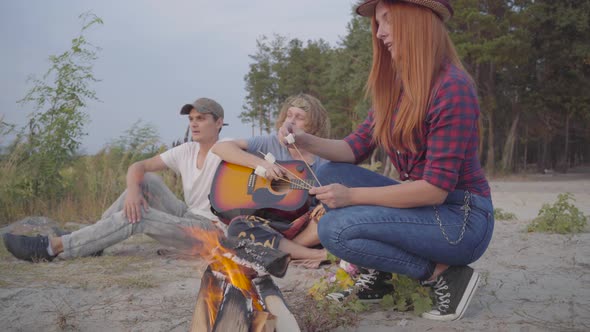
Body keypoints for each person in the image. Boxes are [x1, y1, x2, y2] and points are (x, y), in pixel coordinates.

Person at [278, 0, 494, 321]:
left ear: (418, 22)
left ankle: (443, 274)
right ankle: (381, 279)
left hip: (461, 221)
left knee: (334, 228)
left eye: (388, 21)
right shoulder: (396, 90)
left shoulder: (453, 88)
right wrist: (304, 138)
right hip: (428, 209)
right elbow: (352, 149)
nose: (380, 33)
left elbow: (434, 190)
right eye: (378, 24)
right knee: (329, 170)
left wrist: (350, 197)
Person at [3, 98, 231, 262]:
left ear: (219, 122)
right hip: (188, 214)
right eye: (191, 119)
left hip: (208, 231)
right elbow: (138, 166)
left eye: (201, 119)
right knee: (147, 180)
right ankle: (94, 242)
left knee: (137, 217)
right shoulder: (187, 149)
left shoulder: (228, 150)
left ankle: (52, 248)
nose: (193, 124)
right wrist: (134, 190)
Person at [211, 93, 331, 268]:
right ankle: (314, 255)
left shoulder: (324, 158)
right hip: (271, 224)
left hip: (307, 228)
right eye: (289, 115)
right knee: (238, 227)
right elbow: (220, 147)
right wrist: (262, 165)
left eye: (299, 118)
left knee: (329, 214)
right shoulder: (268, 143)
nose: (291, 121)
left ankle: (286, 251)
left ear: (314, 125)